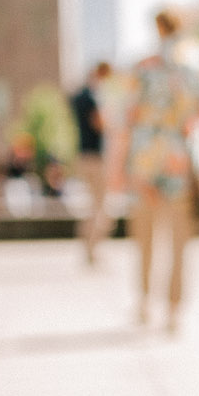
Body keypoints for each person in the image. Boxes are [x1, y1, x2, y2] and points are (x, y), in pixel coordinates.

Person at [125, 9, 199, 331]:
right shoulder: (195, 68)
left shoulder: (142, 67)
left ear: (157, 28)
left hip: (145, 159)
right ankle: (174, 310)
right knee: (179, 240)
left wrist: (122, 167)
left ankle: (145, 302)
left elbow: (126, 119)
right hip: (177, 160)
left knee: (145, 237)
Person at [69, 59, 113, 262]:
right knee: (100, 207)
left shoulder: (78, 97)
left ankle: (89, 248)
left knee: (92, 206)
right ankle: (91, 250)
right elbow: (100, 124)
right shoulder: (92, 98)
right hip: (95, 157)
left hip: (83, 155)